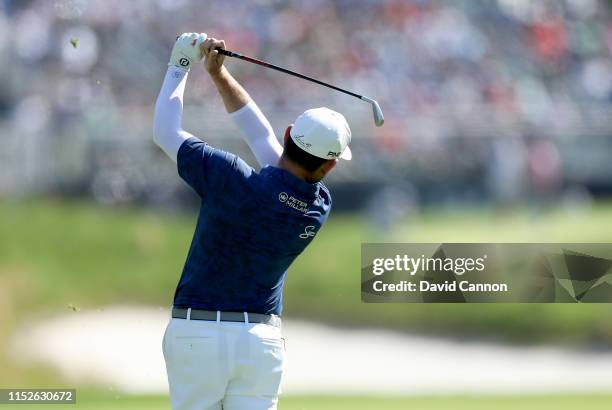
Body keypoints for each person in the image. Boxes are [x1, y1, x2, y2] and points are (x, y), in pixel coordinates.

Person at [152, 33, 352, 410]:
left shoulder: (229, 176)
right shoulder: (317, 205)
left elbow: (166, 133)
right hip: (260, 342)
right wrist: (218, 74)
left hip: (196, 335)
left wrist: (180, 64)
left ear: (290, 133)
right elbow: (262, 140)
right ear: (330, 165)